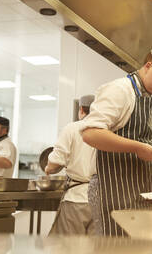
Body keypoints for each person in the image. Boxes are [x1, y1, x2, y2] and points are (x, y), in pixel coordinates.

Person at [80, 44, 152, 237]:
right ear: (148, 66)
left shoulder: (143, 96)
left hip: (135, 191)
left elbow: (133, 139)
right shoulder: (120, 90)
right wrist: (138, 148)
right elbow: (91, 133)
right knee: (114, 248)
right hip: (112, 190)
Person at [45, 94, 98, 236]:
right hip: (100, 200)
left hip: (76, 199)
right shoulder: (108, 131)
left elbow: (54, 164)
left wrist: (48, 168)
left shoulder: (72, 128)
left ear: (81, 110)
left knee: (68, 248)